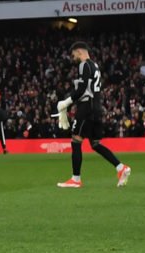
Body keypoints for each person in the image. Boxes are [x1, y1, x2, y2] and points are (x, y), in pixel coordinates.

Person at [55, 41, 131, 189]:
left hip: (86, 108)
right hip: (96, 108)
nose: (73, 58)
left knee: (76, 140)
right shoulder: (95, 66)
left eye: (73, 55)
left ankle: (75, 179)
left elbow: (83, 88)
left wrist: (67, 102)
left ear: (79, 51)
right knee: (95, 144)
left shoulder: (84, 65)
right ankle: (121, 168)